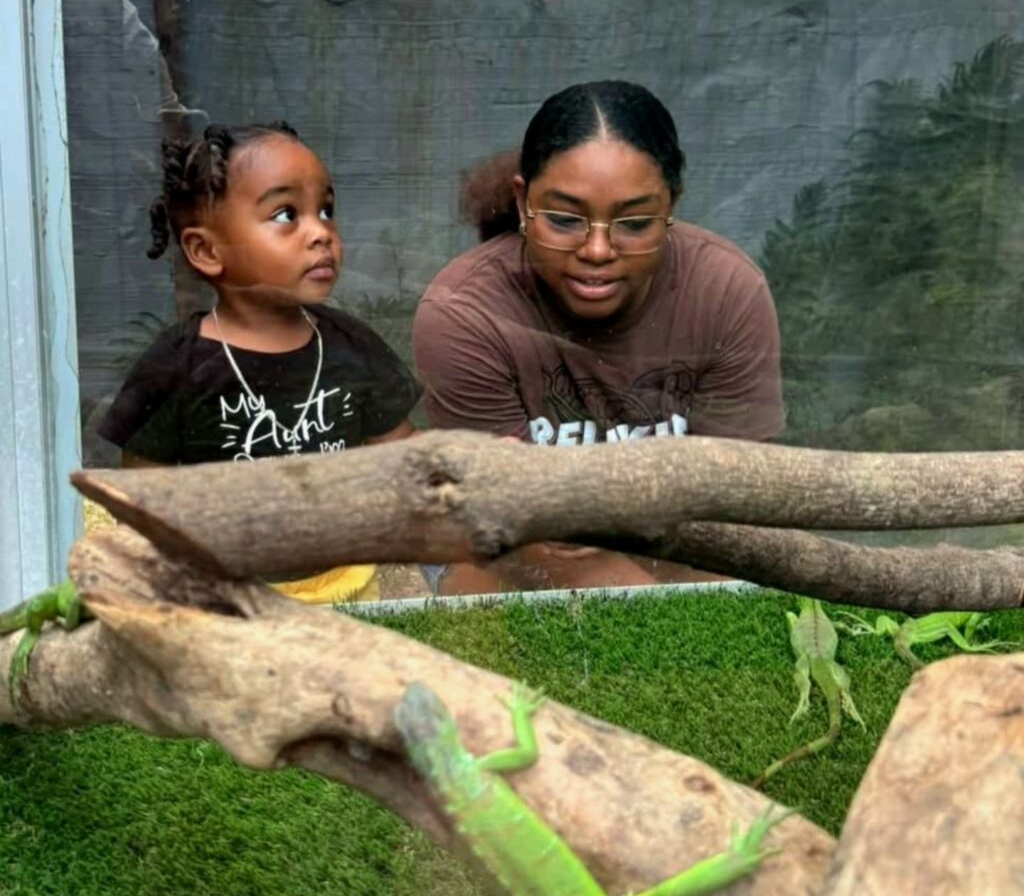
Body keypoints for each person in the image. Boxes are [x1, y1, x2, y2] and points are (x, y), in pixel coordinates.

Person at [413, 81, 783, 595]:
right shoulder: (465, 312)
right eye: (565, 220)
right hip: (519, 554)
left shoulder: (727, 292)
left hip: (682, 544)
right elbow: (510, 527)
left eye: (633, 223)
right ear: (523, 203)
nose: (598, 249)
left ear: (671, 206)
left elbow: (737, 500)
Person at [100, 121, 421, 602]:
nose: (321, 233)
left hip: (346, 587)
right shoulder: (177, 366)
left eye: (326, 210)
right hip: (225, 597)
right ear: (207, 250)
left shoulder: (352, 347)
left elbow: (404, 456)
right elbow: (144, 493)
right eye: (286, 214)